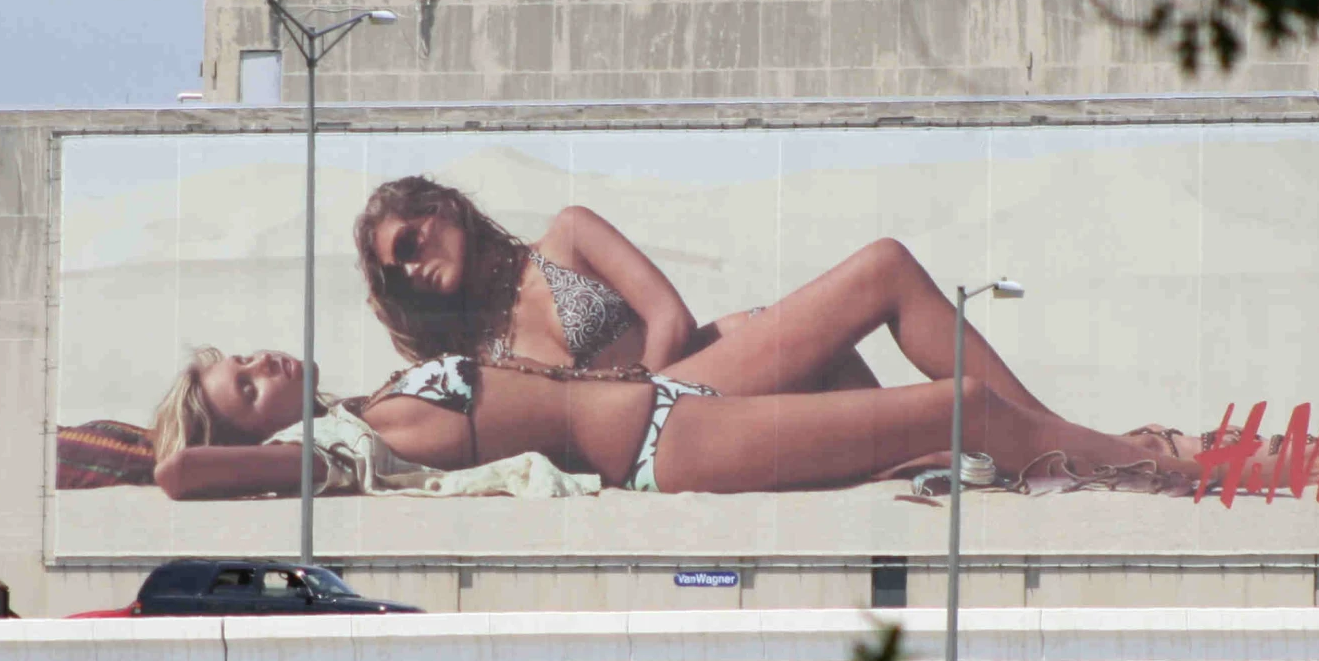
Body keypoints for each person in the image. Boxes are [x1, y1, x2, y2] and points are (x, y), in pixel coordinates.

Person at [352, 177, 1115, 426]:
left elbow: (669, 317)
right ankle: (1032, 448)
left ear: (444, 210)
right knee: (885, 424)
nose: (410, 269)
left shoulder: (568, 237)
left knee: (886, 268)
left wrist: (638, 394)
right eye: (395, 270)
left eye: (410, 244)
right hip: (671, 428)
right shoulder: (465, 357)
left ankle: (1044, 437)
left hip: (699, 375)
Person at [145, 345, 1273, 502]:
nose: (253, 361)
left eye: (236, 353)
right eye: (238, 383)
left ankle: (1090, 441)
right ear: (255, 438)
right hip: (664, 448)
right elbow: (177, 479)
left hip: (673, 389)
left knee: (884, 268)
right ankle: (1169, 468)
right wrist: (198, 441)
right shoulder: (337, 457)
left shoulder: (360, 395)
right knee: (965, 403)